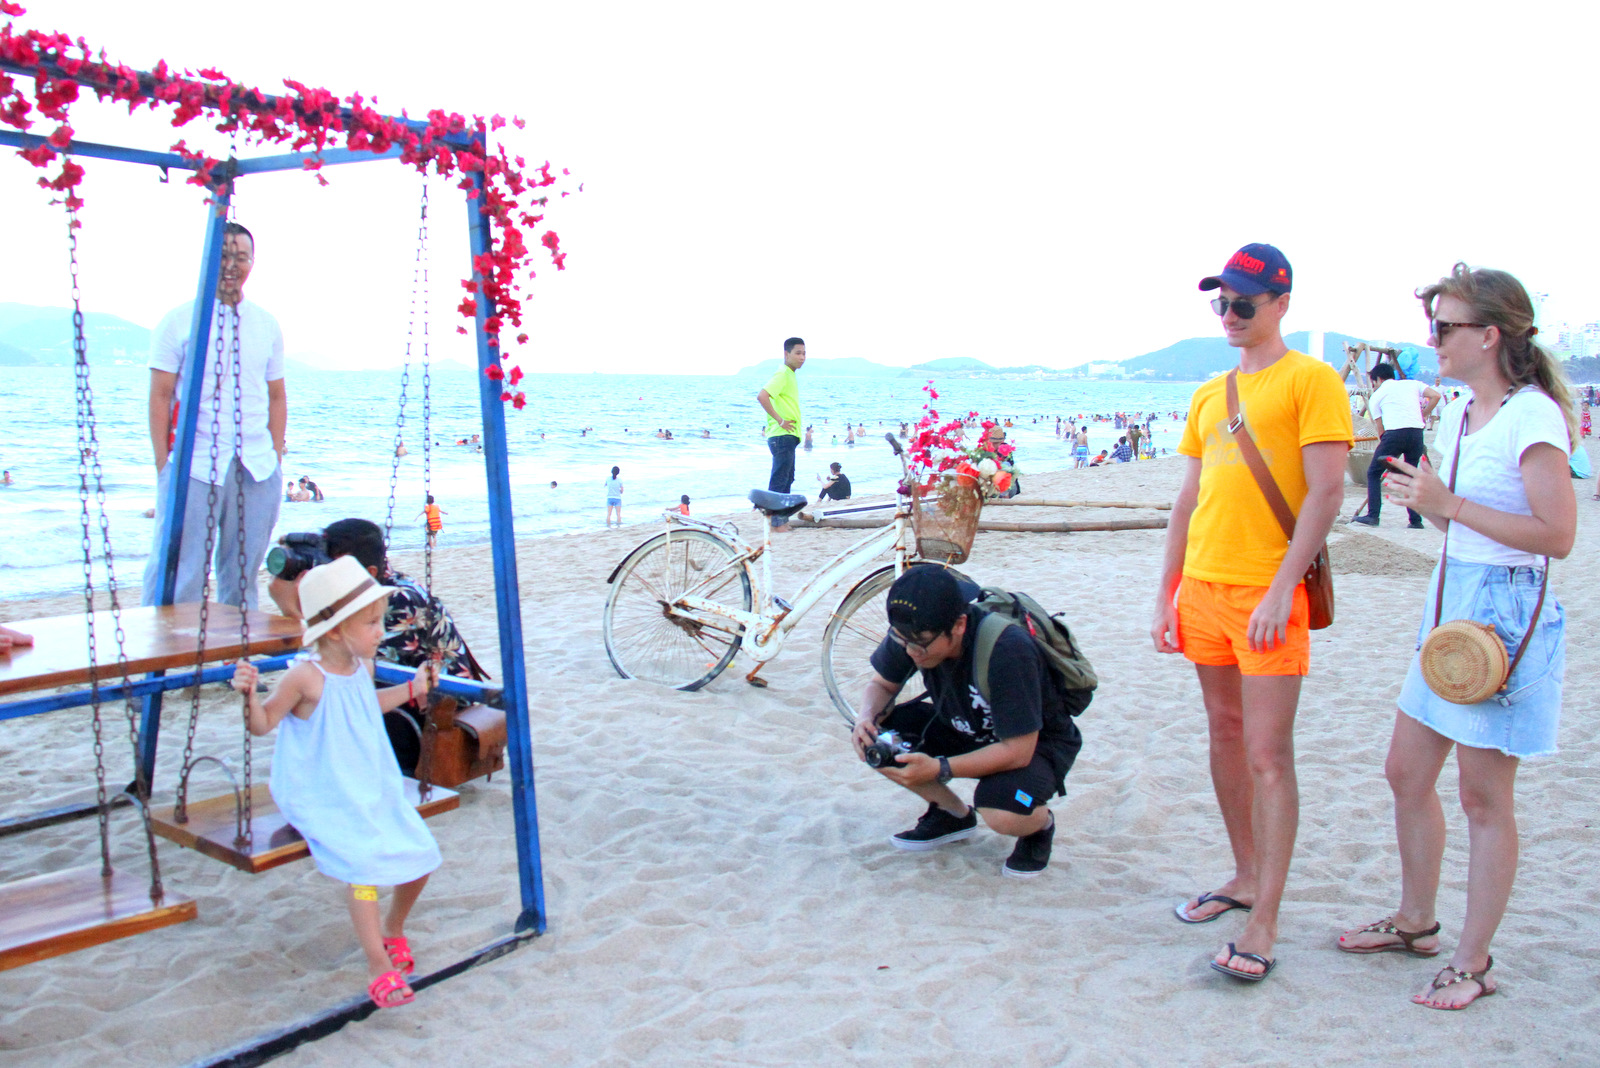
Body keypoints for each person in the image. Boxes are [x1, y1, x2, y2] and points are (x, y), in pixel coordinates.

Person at [1336, 264, 1577, 1009]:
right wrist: (1431, 503)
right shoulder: (1466, 412)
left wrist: (1450, 504)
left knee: (1482, 796)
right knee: (1406, 770)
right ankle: (1416, 921)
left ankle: (1473, 963)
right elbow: (1455, 519)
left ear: (1490, 334)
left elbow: (1557, 536)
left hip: (1503, 611)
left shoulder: (1532, 416)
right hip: (1451, 603)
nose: (1432, 340)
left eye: (1444, 328)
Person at [1152, 243, 1351, 982]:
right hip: (1203, 586)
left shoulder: (1312, 380)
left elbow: (1327, 494)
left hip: (1269, 593)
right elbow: (1188, 497)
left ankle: (1265, 918)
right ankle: (1242, 875)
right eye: (1222, 303)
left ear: (1281, 304)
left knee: (1270, 754)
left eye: (1244, 303)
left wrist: (1280, 589)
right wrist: (1166, 590)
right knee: (1225, 733)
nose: (1231, 315)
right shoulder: (1211, 394)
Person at [232, 556, 442, 1009]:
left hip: (364, 781)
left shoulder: (360, 668)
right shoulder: (304, 677)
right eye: (370, 624)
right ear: (334, 631)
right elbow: (264, 724)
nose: (380, 632)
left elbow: (367, 706)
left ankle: (393, 928)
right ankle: (376, 965)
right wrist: (249, 696)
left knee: (422, 854)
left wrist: (414, 688)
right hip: (320, 790)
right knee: (363, 867)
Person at [849, 567, 1083, 878]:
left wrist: (940, 768)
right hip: (962, 723)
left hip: (1036, 743)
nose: (911, 651)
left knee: (1000, 810)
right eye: (902, 640)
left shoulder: (1007, 648)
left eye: (920, 644)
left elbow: (1018, 751)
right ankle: (952, 815)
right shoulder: (913, 632)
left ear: (959, 624)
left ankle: (1039, 828)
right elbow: (882, 685)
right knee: (876, 741)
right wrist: (865, 717)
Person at [267, 517, 488, 775]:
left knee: (330, 697)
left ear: (370, 572)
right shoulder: (380, 586)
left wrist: (291, 609)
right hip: (414, 691)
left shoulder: (397, 599)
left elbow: (331, 663)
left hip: (439, 706)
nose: (332, 576)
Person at [142, 221, 285, 611]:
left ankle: (234, 660)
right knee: (181, 571)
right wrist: (163, 463)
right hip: (195, 461)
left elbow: (275, 396)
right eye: (224, 256)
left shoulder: (266, 323)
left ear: (252, 262)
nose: (232, 265)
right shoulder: (178, 321)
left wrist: (276, 456)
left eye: (241, 257)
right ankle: (166, 654)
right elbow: (160, 396)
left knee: (242, 574)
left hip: (255, 464)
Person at [1353, 363, 1441, 529]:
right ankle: (1415, 521)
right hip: (1416, 433)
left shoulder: (1377, 396)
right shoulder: (1413, 384)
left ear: (1377, 379)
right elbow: (1436, 396)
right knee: (1410, 474)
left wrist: (1384, 449)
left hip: (1394, 434)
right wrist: (1423, 415)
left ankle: (1373, 515)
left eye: (1374, 382)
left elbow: (1380, 429)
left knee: (1373, 473)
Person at [755, 338, 805, 532]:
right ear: (786, 354)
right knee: (780, 479)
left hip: (787, 436)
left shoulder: (790, 375)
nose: (802, 357)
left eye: (804, 353)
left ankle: (779, 520)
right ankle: (776, 523)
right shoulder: (783, 373)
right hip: (781, 435)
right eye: (798, 353)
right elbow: (762, 396)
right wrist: (779, 420)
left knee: (787, 478)